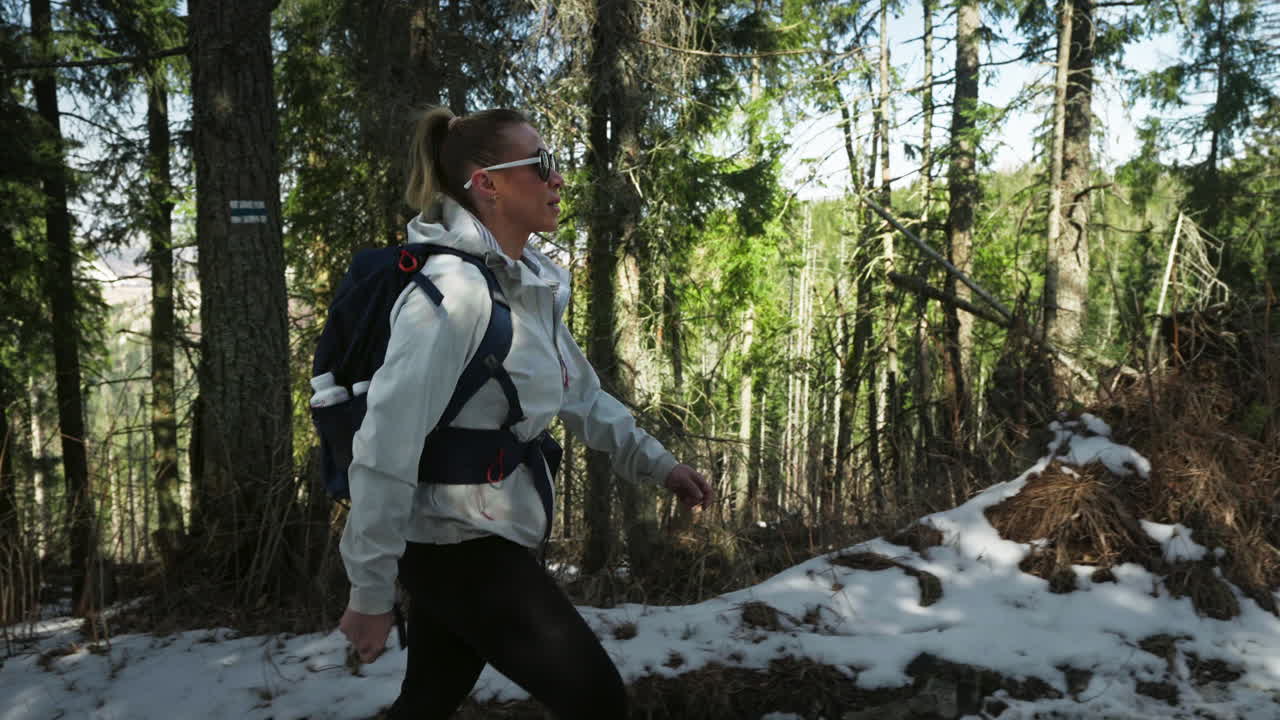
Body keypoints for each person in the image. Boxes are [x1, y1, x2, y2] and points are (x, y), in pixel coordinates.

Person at [338, 106, 714, 720]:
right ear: (487, 183)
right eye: (541, 165)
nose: (558, 178)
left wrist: (660, 466)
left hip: (483, 532)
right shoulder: (449, 299)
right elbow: (384, 448)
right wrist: (370, 590)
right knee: (597, 700)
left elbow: (582, 395)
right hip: (456, 544)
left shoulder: (524, 285)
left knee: (429, 699)